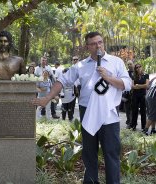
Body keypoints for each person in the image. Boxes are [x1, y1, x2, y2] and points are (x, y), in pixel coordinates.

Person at [32, 31, 131, 184]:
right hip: (88, 111)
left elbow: (127, 84)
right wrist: (47, 98)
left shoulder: (116, 62)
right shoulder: (81, 65)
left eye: (100, 42)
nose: (98, 46)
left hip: (109, 113)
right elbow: (62, 81)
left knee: (111, 152)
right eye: (93, 43)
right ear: (87, 47)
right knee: (89, 153)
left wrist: (108, 77)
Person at [130, 63, 149, 131]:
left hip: (143, 95)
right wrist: (141, 86)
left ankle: (144, 127)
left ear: (142, 67)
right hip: (135, 95)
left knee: (143, 111)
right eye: (136, 67)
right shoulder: (133, 76)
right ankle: (133, 126)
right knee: (134, 110)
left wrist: (138, 86)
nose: (138, 68)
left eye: (139, 67)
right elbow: (132, 86)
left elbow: (147, 85)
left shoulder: (146, 75)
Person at [122, 60, 134, 128]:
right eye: (128, 64)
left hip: (134, 93)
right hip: (126, 94)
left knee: (133, 109)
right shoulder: (125, 73)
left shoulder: (136, 73)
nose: (129, 65)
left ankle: (132, 123)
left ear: (133, 64)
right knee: (127, 109)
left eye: (130, 64)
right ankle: (129, 122)